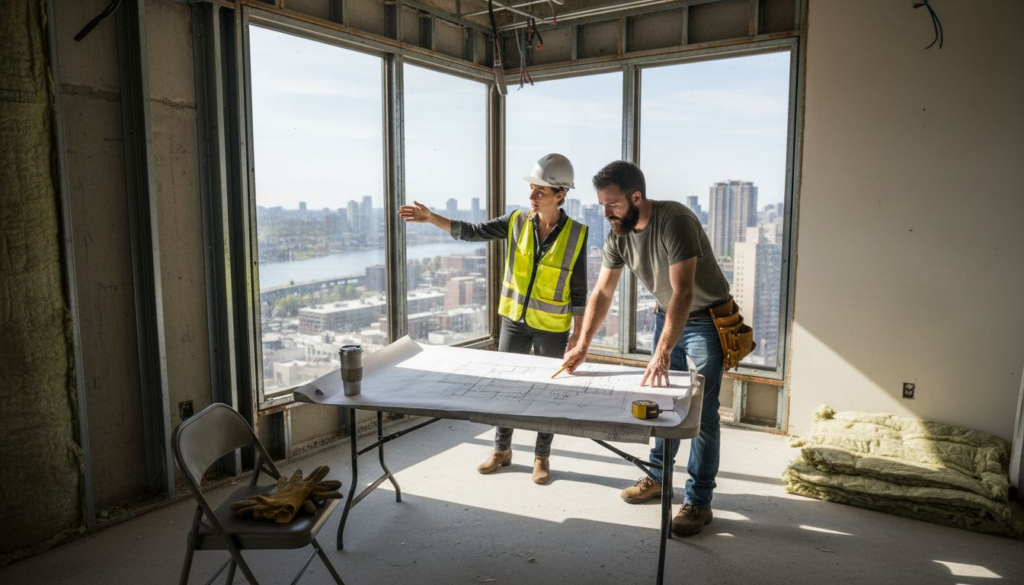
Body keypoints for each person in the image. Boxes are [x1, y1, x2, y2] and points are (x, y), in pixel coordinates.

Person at [562, 160, 731, 536]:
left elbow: (684, 292)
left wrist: (662, 351)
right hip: (665, 316)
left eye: (613, 204)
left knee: (702, 415)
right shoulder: (618, 234)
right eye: (602, 205)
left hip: (705, 319)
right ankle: (656, 478)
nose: (605, 213)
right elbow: (602, 292)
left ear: (636, 197)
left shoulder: (675, 220)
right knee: (660, 403)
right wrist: (583, 344)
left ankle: (699, 503)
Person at [398, 153, 588, 484]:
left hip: (553, 328)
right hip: (514, 321)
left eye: (539, 191)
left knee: (547, 392)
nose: (531, 197)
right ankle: (502, 450)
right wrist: (431, 218)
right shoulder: (516, 221)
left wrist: (579, 336)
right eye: (531, 189)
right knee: (505, 388)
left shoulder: (577, 235)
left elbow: (580, 291)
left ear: (560, 194)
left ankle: (541, 457)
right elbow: (472, 231)